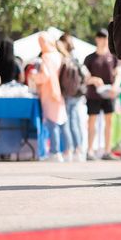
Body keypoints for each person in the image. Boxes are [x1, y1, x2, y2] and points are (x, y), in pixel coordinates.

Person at [31, 32, 71, 162]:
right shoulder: (59, 55)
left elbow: (45, 76)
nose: (40, 45)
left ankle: (55, 152)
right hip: (60, 93)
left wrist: (34, 77)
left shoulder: (46, 57)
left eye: (42, 42)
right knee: (62, 121)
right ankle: (68, 151)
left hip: (49, 93)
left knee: (52, 122)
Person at [84, 29, 119, 161]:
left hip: (108, 94)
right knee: (91, 121)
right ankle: (90, 150)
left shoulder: (112, 57)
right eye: (100, 37)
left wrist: (116, 86)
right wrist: (94, 79)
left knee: (108, 122)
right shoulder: (90, 58)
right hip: (93, 95)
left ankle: (107, 150)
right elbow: (85, 77)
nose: (103, 40)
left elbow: (118, 73)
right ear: (96, 39)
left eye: (105, 38)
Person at [57, 34, 88, 161]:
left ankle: (72, 149)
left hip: (69, 92)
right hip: (77, 91)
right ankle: (78, 148)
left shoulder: (67, 56)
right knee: (74, 119)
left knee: (70, 120)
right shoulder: (76, 54)